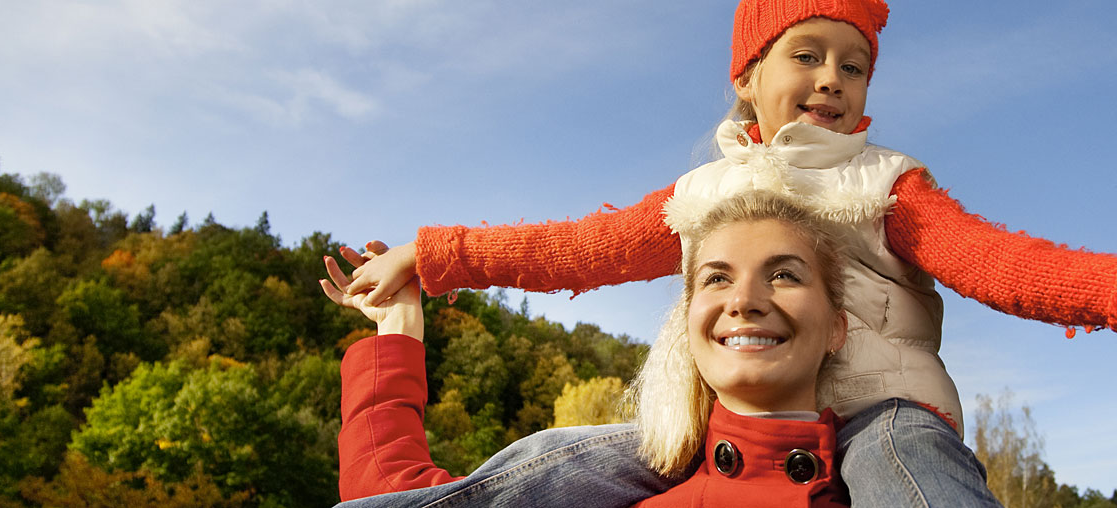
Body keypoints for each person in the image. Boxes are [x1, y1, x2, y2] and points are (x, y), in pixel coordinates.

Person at [335, 0, 1117, 505]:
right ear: (749, 74)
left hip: (879, 417)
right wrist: (434, 256)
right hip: (728, 430)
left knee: (918, 477)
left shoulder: (885, 183)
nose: (832, 80)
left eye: (854, 66)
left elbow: (1005, 265)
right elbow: (576, 249)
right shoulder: (702, 192)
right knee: (550, 462)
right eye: (807, 55)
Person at [327, 192, 860, 507]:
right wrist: (398, 326)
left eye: (785, 275)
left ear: (837, 328)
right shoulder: (606, 490)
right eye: (716, 279)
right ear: (689, 321)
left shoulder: (909, 485)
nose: (744, 300)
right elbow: (394, 496)